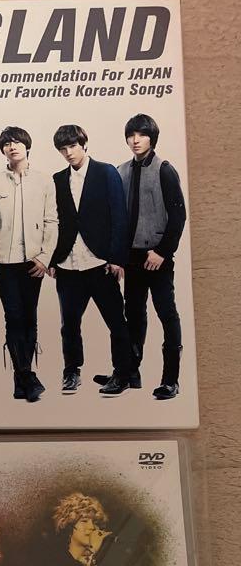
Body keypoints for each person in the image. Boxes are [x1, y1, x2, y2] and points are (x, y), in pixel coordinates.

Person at [99, 114, 188, 400]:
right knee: (133, 314)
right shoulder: (121, 170)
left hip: (158, 256)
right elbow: (115, 217)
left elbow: (178, 216)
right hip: (132, 258)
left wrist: (162, 252)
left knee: (167, 314)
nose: (135, 140)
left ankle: (170, 380)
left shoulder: (165, 169)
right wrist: (117, 256)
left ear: (152, 138)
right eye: (131, 135)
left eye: (142, 135)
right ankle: (128, 373)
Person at [49, 124, 134, 396]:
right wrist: (52, 259)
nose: (69, 152)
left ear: (84, 144)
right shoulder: (58, 179)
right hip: (68, 264)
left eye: (73, 146)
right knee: (69, 324)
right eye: (63, 149)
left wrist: (117, 258)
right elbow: (54, 222)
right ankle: (71, 371)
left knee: (116, 321)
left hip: (100, 263)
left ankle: (123, 374)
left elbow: (119, 217)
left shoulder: (106, 172)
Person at [0, 126, 58, 402]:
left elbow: (52, 221)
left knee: (30, 316)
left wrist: (45, 257)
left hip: (33, 261)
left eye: (17, 142)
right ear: (3, 150)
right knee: (13, 316)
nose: (12, 146)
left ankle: (21, 381)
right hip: (4, 261)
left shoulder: (44, 181)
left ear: (27, 146)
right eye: (7, 143)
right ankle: (27, 376)